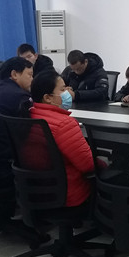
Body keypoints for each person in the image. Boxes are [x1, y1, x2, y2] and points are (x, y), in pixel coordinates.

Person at [30, 70, 95, 207]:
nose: (67, 92)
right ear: (48, 98)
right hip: (68, 193)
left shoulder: (28, 116)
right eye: (62, 89)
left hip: (34, 190)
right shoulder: (64, 124)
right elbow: (88, 165)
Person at [0, 56, 34, 165]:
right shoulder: (21, 97)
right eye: (29, 75)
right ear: (14, 74)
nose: (32, 79)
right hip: (6, 156)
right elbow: (29, 131)